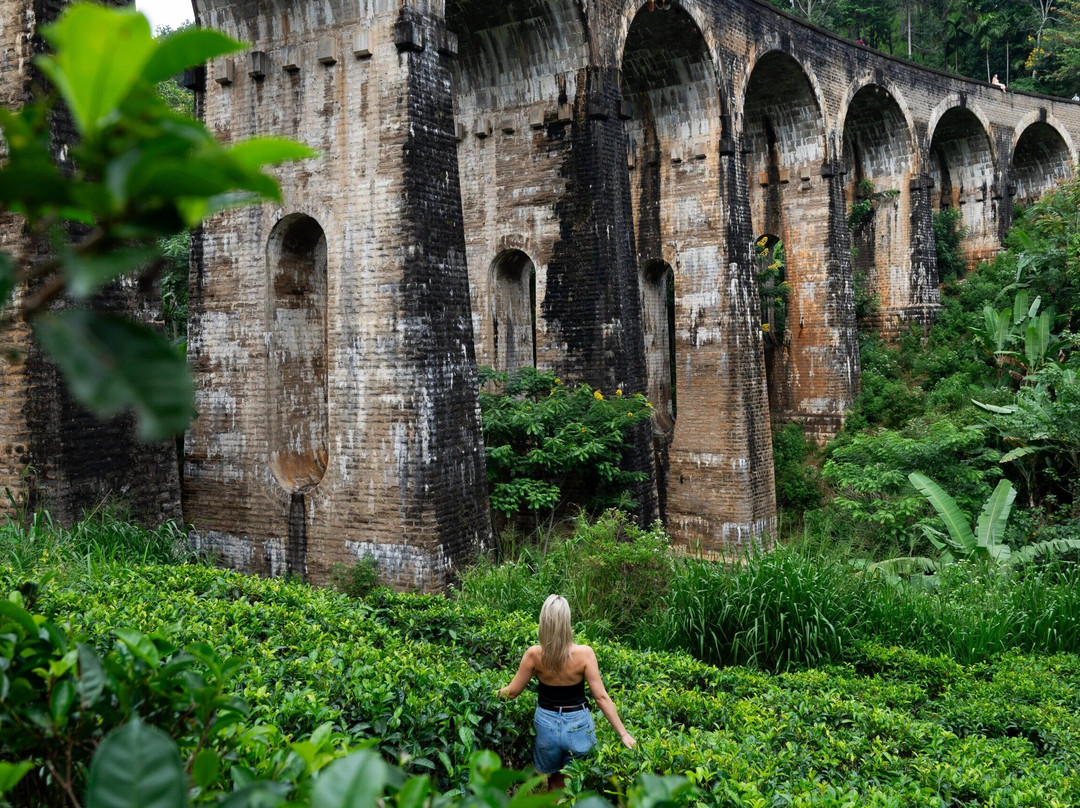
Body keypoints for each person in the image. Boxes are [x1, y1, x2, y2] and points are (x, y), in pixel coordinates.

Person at [499, 594, 636, 791]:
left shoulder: (534, 654)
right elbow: (601, 697)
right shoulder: (585, 654)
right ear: (567, 621)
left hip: (546, 725)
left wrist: (486, 694)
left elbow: (511, 692)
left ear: (543, 621)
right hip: (578, 724)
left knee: (555, 782)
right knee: (577, 783)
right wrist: (623, 734)